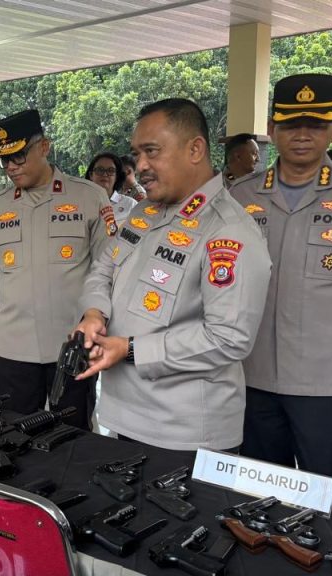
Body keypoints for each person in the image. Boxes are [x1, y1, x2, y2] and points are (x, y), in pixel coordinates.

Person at [230, 73, 332, 499]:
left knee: (331, 497)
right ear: (272, 130)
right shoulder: (241, 195)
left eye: (316, 124)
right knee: (258, 495)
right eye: (290, 124)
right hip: (254, 372)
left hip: (327, 378)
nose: (302, 135)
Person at [72, 98, 271, 451]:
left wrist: (131, 350)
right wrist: (94, 313)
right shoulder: (143, 214)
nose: (140, 166)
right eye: (137, 154)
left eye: (152, 151)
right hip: (126, 414)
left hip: (185, 432)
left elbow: (229, 338)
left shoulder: (229, 229)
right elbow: (103, 269)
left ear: (195, 149)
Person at [0, 109, 107, 430]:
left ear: (44, 146)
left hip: (72, 347)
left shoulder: (89, 198)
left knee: (72, 437)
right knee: (15, 437)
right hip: (14, 351)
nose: (11, 167)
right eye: (4, 160)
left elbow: (108, 271)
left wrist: (101, 327)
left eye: (18, 156)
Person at [85, 152, 137, 229]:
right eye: (100, 170)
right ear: (91, 175)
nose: (105, 174)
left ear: (117, 176)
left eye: (111, 170)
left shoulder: (130, 205)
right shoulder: (80, 204)